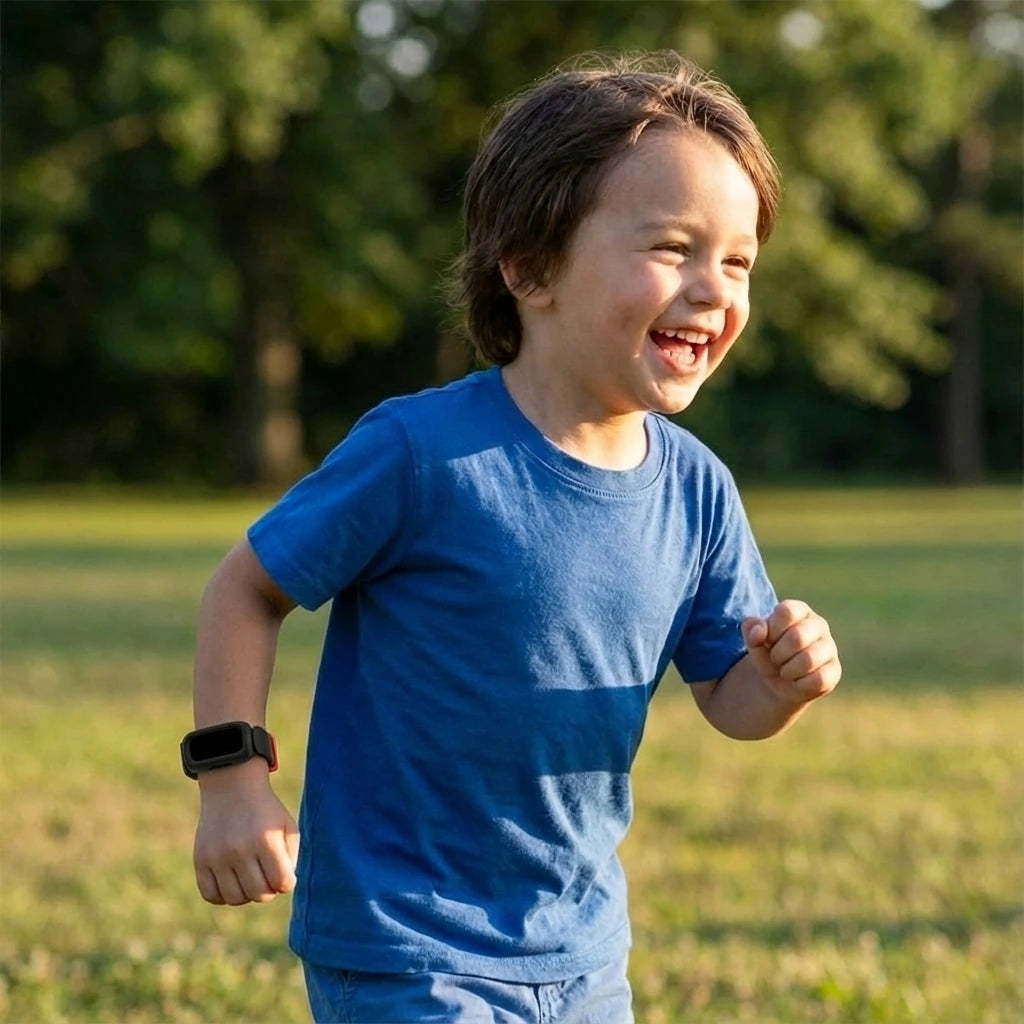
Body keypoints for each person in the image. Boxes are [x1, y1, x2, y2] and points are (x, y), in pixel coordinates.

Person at [186, 51, 841, 1024]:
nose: (713, 287)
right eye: (671, 247)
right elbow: (247, 587)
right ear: (529, 265)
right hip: (405, 938)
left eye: (737, 259)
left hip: (580, 950)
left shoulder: (697, 488)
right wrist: (232, 777)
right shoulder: (422, 453)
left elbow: (726, 695)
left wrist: (779, 683)